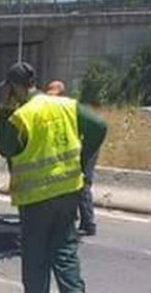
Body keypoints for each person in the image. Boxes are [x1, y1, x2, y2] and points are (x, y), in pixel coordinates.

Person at [0, 62, 107, 293]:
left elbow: (5, 147)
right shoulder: (65, 105)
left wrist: (4, 112)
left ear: (13, 87)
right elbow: (99, 126)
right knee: (65, 251)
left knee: (36, 254)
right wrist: (82, 158)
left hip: (37, 197)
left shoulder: (22, 114)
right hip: (69, 191)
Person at [45, 79, 98, 236]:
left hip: (88, 146)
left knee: (82, 182)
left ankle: (89, 223)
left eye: (55, 96)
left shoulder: (72, 108)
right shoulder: (58, 111)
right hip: (76, 148)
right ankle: (72, 217)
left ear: (62, 94)